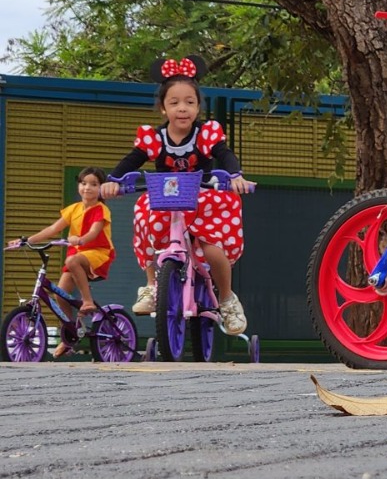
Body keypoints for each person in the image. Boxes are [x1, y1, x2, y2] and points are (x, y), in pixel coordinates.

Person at [102, 57, 253, 335]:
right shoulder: (153, 138)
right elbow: (132, 160)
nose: (182, 108)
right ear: (163, 108)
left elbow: (224, 154)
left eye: (189, 102)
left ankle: (227, 299)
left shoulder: (207, 133)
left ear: (197, 107)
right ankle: (151, 286)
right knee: (145, 216)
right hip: (166, 200)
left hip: (204, 199)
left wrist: (235, 175)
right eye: (174, 102)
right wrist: (113, 180)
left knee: (212, 247)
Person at [22, 167, 115, 357]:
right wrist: (27, 240)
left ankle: (87, 301)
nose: (87, 188)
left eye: (94, 184)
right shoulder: (73, 209)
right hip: (77, 255)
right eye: (83, 183)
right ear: (78, 186)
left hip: (98, 253)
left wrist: (81, 239)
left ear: (101, 188)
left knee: (72, 261)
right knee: (60, 295)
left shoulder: (101, 209)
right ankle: (70, 332)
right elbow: (53, 229)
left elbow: (94, 232)